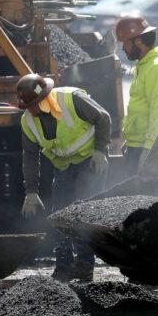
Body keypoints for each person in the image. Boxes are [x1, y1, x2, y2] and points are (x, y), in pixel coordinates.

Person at [17, 74, 111, 283]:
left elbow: (103, 117)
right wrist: (31, 192)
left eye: (33, 104)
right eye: (27, 106)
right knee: (60, 215)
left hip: (90, 162)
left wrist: (100, 150)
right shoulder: (28, 122)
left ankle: (85, 267)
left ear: (45, 98)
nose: (31, 110)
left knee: (85, 213)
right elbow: (30, 157)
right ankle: (63, 267)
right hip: (65, 168)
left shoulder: (72, 99)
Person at [116, 16, 158, 176]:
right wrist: (130, 141)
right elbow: (140, 107)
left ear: (138, 42)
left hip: (147, 148)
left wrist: (150, 151)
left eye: (125, 43)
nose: (123, 49)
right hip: (137, 145)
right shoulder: (145, 65)